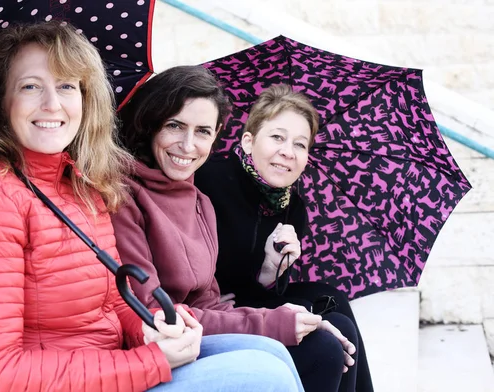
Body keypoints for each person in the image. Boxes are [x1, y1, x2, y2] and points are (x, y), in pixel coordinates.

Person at [0, 23, 302, 392]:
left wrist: (153, 325)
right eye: (31, 86)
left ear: (86, 100)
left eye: (67, 85)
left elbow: (112, 303)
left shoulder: (76, 184)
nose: (52, 104)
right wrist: (147, 362)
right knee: (265, 376)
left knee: (268, 352)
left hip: (104, 363)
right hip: (73, 378)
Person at [112, 65, 356, 392]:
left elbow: (211, 299)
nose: (187, 145)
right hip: (160, 342)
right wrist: (271, 322)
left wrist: (271, 272)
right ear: (150, 124)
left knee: (332, 325)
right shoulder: (128, 196)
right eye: (174, 125)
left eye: (202, 131)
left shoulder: (200, 201)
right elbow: (154, 311)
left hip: (204, 324)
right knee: (322, 349)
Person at [195, 84, 374, 392]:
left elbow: (260, 292)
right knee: (331, 334)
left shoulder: (293, 208)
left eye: (300, 144)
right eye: (277, 137)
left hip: (246, 300)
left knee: (335, 300)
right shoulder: (209, 180)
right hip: (210, 307)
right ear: (249, 142)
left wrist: (270, 268)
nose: (288, 152)